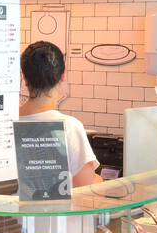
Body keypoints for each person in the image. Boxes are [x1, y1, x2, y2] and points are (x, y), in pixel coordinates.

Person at [17, 41, 99, 188]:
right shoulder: (70, 127)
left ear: (24, 77)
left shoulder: (8, 122)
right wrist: (99, 180)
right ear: (63, 75)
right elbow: (85, 187)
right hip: (55, 211)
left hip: (15, 210)